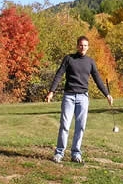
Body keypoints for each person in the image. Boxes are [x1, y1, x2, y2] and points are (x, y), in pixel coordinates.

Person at [46, 36, 113, 164]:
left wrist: (107, 94)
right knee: (65, 125)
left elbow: (98, 79)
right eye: (81, 45)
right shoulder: (69, 59)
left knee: (80, 126)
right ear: (77, 46)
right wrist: (51, 91)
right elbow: (59, 74)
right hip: (69, 96)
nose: (83, 47)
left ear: (88, 47)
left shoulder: (90, 62)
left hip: (83, 97)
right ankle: (59, 153)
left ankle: (76, 153)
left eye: (85, 45)